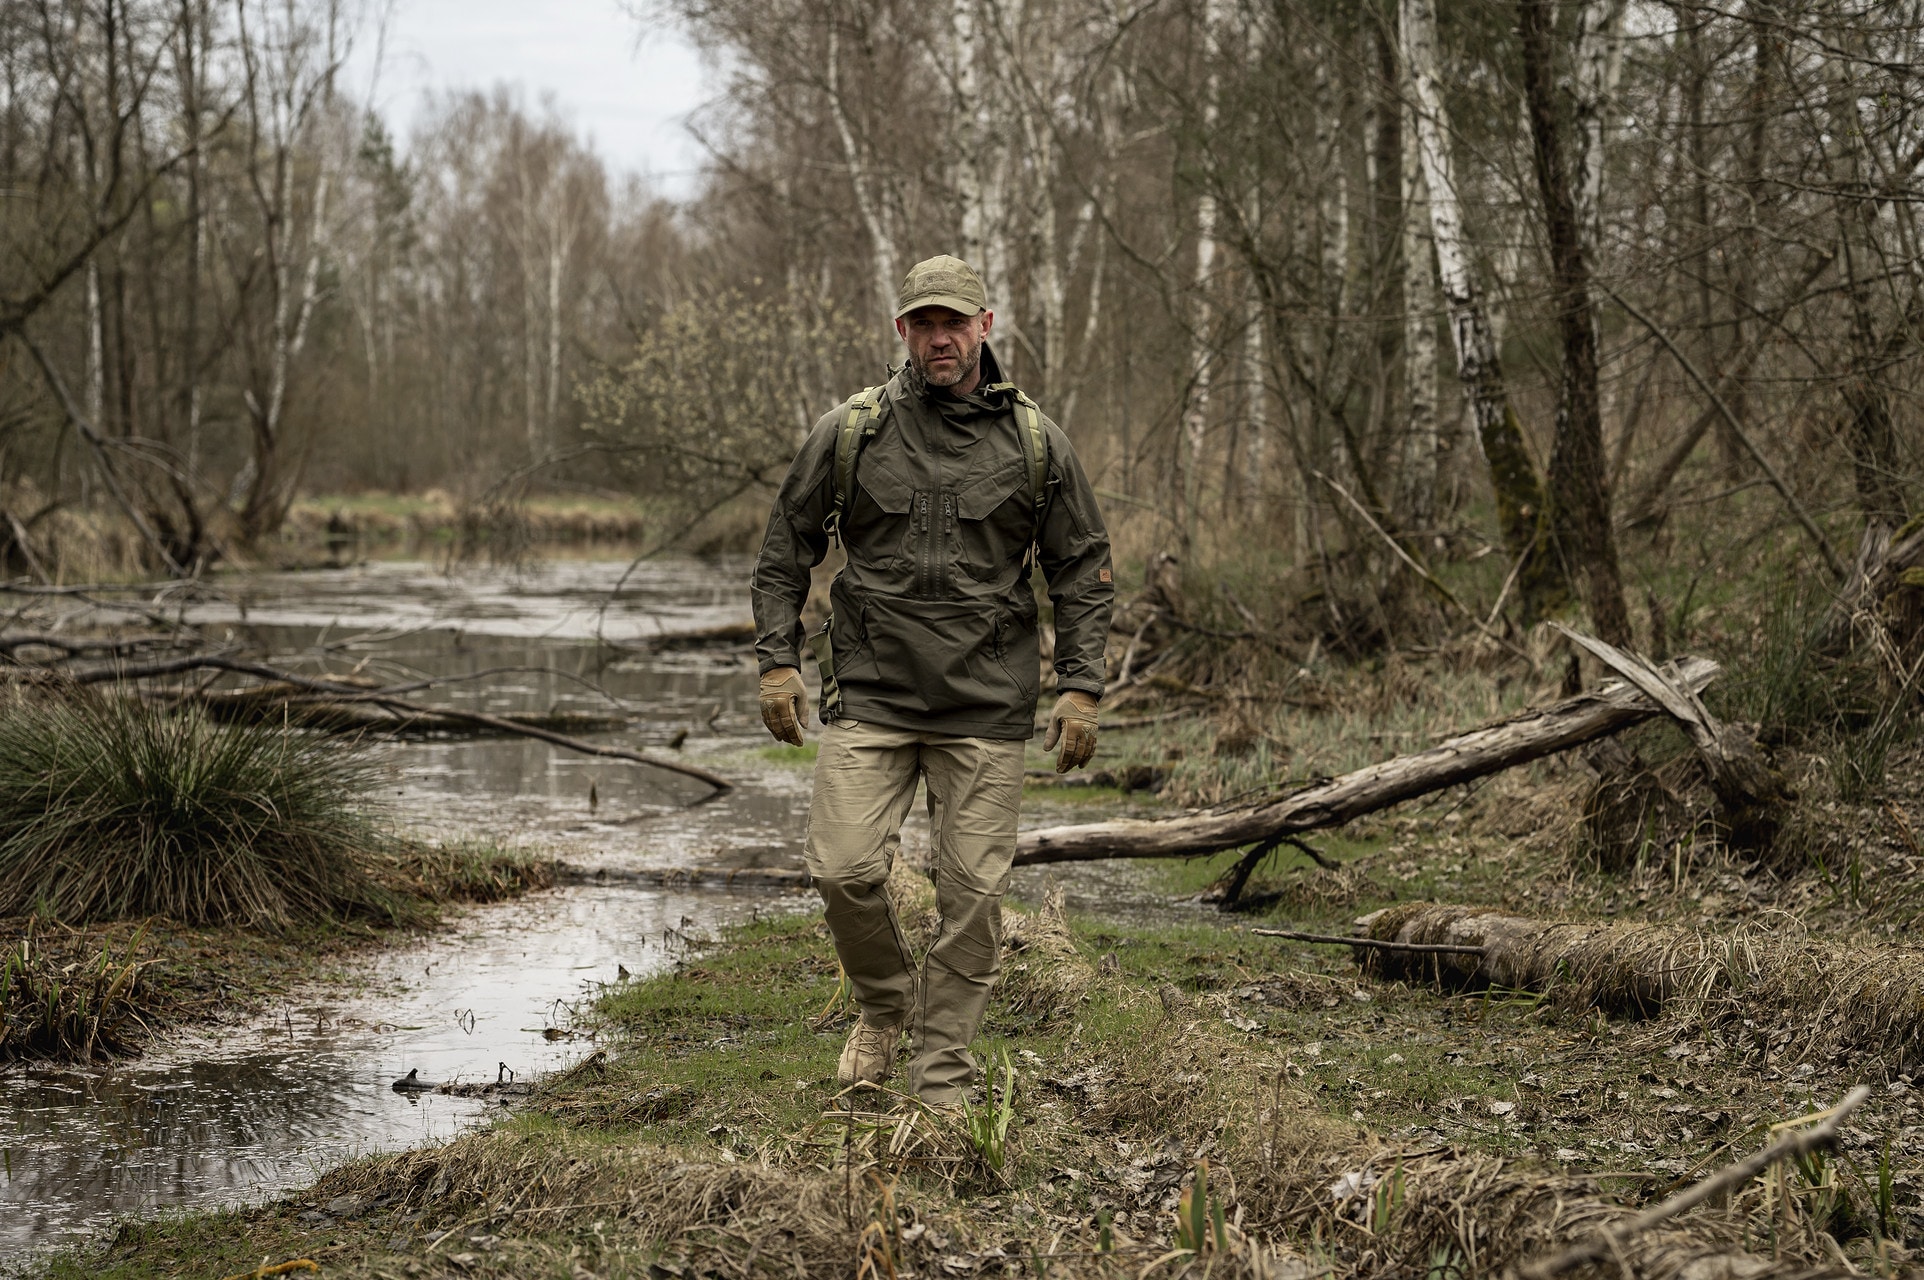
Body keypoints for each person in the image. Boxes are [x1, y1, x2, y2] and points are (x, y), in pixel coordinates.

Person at [750, 254, 1114, 1107]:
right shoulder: (852, 431)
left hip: (986, 707)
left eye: (955, 322)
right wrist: (777, 662)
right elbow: (783, 553)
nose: (940, 338)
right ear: (901, 330)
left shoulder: (1035, 442)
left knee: (973, 898)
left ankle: (941, 1075)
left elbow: (1083, 567)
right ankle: (884, 1006)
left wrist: (1081, 686)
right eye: (924, 323)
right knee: (843, 872)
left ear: (986, 327)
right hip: (871, 694)